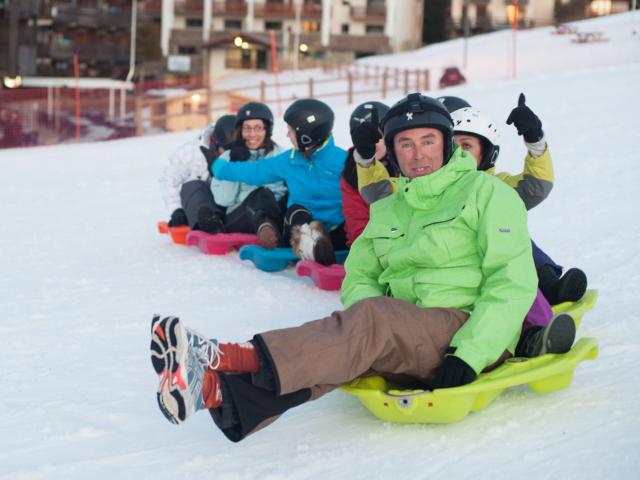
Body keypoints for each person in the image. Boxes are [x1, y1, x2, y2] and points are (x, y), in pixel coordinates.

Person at [150, 93, 575, 442]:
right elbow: (361, 275)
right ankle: (212, 391)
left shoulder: (488, 194)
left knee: (370, 322)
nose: (417, 154)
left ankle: (223, 355)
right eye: (405, 144)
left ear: (446, 143)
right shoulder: (389, 205)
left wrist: (470, 352)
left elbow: (512, 282)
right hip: (403, 329)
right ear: (393, 152)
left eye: (428, 140)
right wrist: (365, 323)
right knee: (349, 337)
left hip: (469, 331)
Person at [356, 93, 587, 305]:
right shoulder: (419, 188)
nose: (458, 153)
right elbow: (378, 193)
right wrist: (366, 158)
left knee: (512, 240)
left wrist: (535, 141)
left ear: (487, 152)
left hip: (496, 277)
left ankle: (546, 291)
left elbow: (536, 187)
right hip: (443, 282)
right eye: (453, 145)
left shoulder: (494, 188)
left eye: (466, 146)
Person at [211, 98, 347, 265]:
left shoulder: (344, 161)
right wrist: (219, 167)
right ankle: (310, 246)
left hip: (339, 231)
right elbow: (255, 171)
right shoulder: (288, 161)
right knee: (296, 211)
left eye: (291, 131)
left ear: (306, 135)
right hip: (300, 229)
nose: (287, 135)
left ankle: (324, 248)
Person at [196, 102, 288, 248]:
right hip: (240, 216)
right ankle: (267, 230)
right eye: (247, 128)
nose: (252, 134)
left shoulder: (280, 155)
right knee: (262, 194)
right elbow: (224, 200)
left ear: (267, 130)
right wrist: (235, 164)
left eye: (258, 128)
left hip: (276, 211)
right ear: (240, 130)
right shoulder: (226, 158)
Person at [159, 115, 236, 229]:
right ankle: (210, 223)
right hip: (203, 206)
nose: (228, 154)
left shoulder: (246, 152)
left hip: (230, 206)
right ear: (215, 142)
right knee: (193, 185)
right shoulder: (191, 152)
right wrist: (176, 210)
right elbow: (168, 179)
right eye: (226, 149)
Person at [340, 101, 396, 247]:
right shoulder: (351, 172)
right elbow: (356, 221)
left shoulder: (403, 164)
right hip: (369, 243)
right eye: (366, 138)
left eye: (378, 136)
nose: (373, 144)